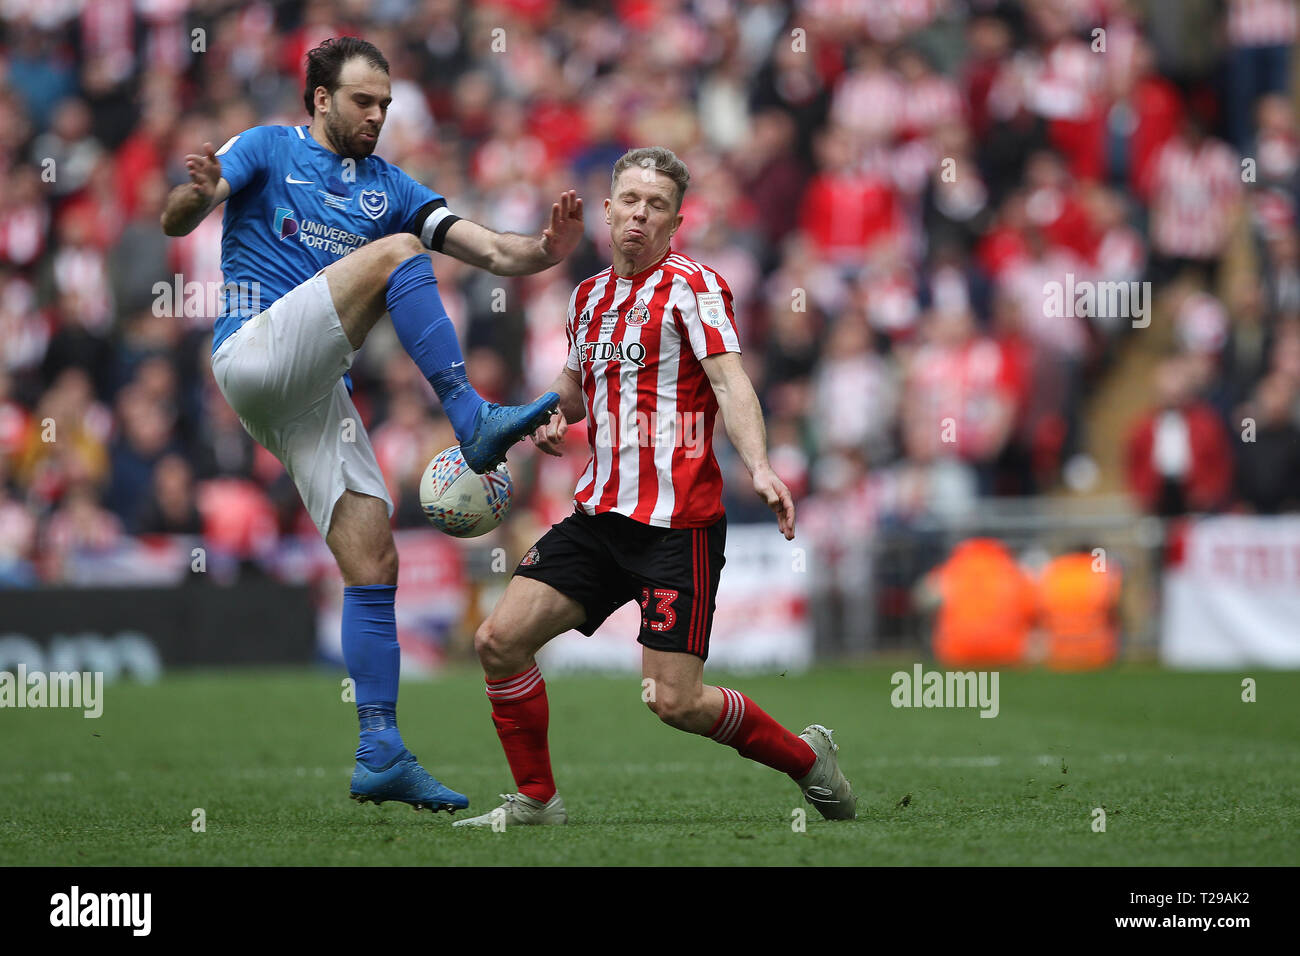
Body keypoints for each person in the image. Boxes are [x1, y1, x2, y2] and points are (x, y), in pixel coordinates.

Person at [160, 37, 585, 814]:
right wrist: (197, 193)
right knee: (396, 254)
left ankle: (379, 749)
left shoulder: (389, 184)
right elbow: (179, 212)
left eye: (385, 103)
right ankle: (473, 419)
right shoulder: (265, 147)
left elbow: (486, 246)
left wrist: (544, 251)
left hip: (310, 387)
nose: (377, 115)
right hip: (253, 350)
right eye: (362, 100)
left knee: (372, 554)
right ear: (320, 99)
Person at [453, 147, 856, 828]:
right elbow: (576, 390)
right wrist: (544, 417)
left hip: (680, 525)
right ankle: (536, 800)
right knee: (498, 639)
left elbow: (730, 381)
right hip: (600, 515)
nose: (642, 213)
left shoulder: (695, 287)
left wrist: (758, 464)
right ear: (608, 210)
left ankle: (806, 759)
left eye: (658, 204)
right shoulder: (588, 298)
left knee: (675, 703)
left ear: (676, 219)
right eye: (631, 200)